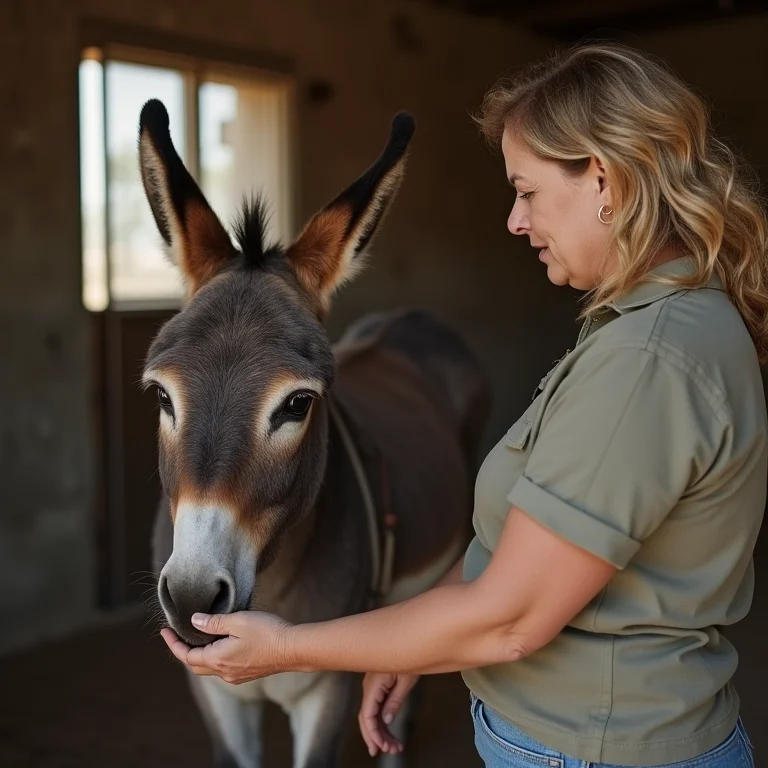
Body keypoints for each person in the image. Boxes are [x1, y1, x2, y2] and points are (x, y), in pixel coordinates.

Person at [161, 42, 767, 767]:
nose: (514, 220)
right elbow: (522, 547)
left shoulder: (648, 359)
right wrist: (407, 641)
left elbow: (509, 621)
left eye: (527, 191)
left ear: (602, 178)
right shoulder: (658, 325)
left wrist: (290, 647)